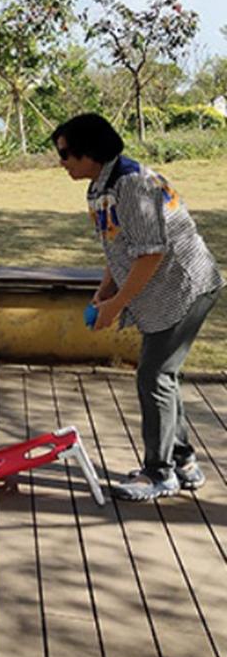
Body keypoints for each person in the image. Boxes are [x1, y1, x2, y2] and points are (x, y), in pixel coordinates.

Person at [53, 113, 223, 501]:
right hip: (160, 292)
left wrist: (116, 305)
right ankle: (183, 462)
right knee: (162, 377)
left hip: (185, 288)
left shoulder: (132, 184)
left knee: (154, 377)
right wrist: (104, 292)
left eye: (65, 154)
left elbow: (150, 254)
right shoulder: (101, 186)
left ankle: (159, 473)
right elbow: (117, 247)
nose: (61, 162)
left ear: (89, 152)